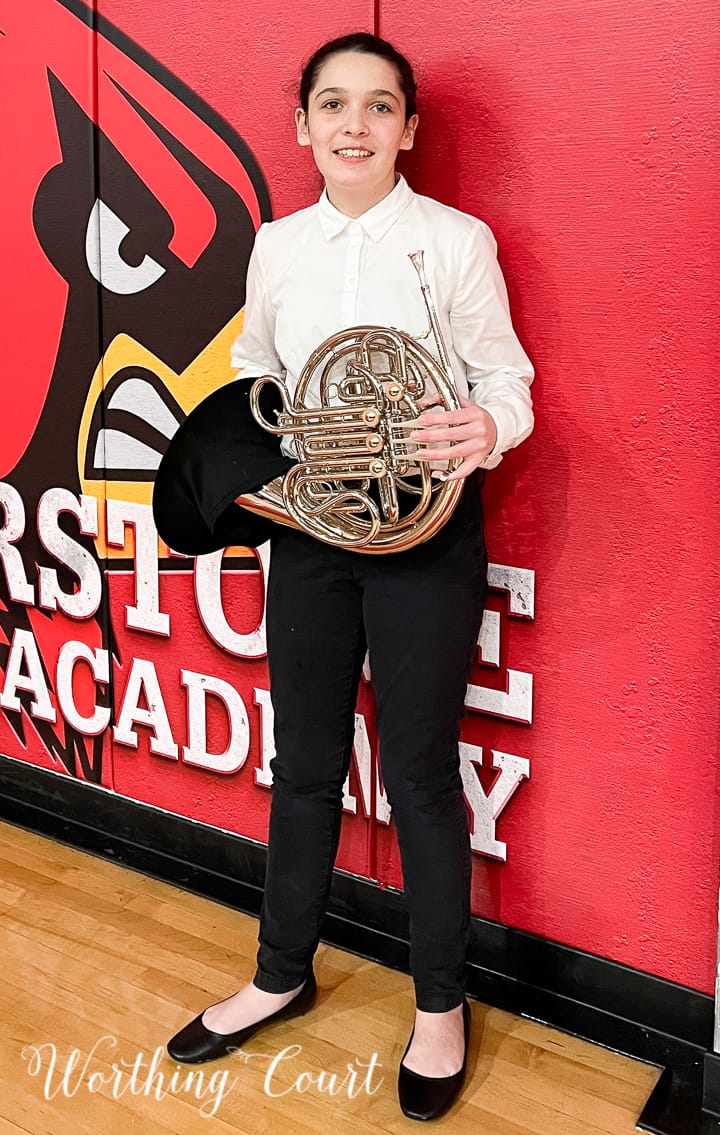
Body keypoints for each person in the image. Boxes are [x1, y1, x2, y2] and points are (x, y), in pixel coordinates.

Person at [165, 31, 534, 1121]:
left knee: (419, 775)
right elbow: (257, 381)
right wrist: (268, 472)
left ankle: (437, 1004)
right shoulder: (278, 246)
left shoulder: (458, 242)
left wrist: (485, 424)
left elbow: (506, 378)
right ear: (303, 127)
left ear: (408, 130)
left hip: (425, 543)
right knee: (304, 764)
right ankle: (281, 970)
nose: (355, 125)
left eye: (380, 108)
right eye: (335, 105)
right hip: (314, 538)